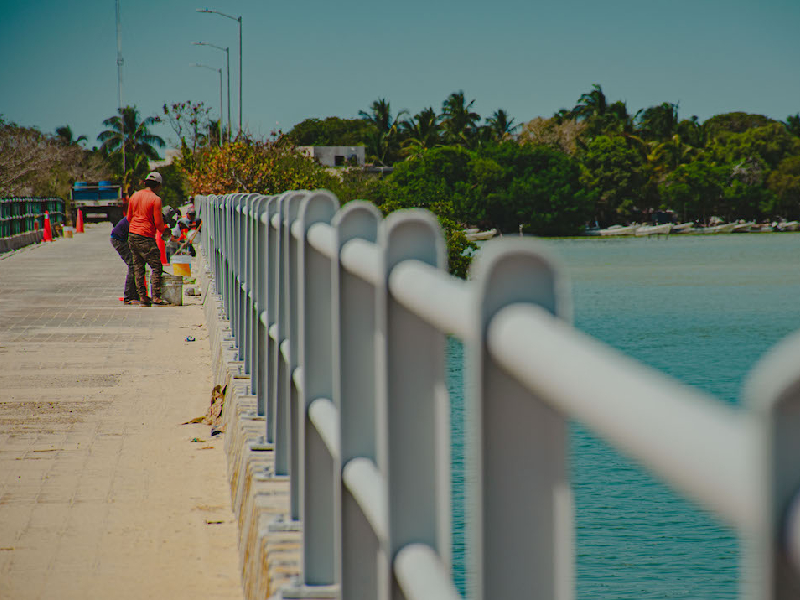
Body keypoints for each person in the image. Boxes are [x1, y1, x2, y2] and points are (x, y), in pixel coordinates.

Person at [127, 172, 169, 306]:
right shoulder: (156, 199)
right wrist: (166, 231)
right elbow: (158, 223)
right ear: (157, 186)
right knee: (156, 266)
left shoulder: (134, 196)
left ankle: (143, 298)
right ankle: (156, 296)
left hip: (133, 234)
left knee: (139, 267)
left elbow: (129, 217)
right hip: (146, 235)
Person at [110, 216, 140, 305]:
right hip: (119, 239)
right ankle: (129, 296)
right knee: (133, 265)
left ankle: (135, 295)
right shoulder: (140, 218)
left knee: (135, 265)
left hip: (122, 237)